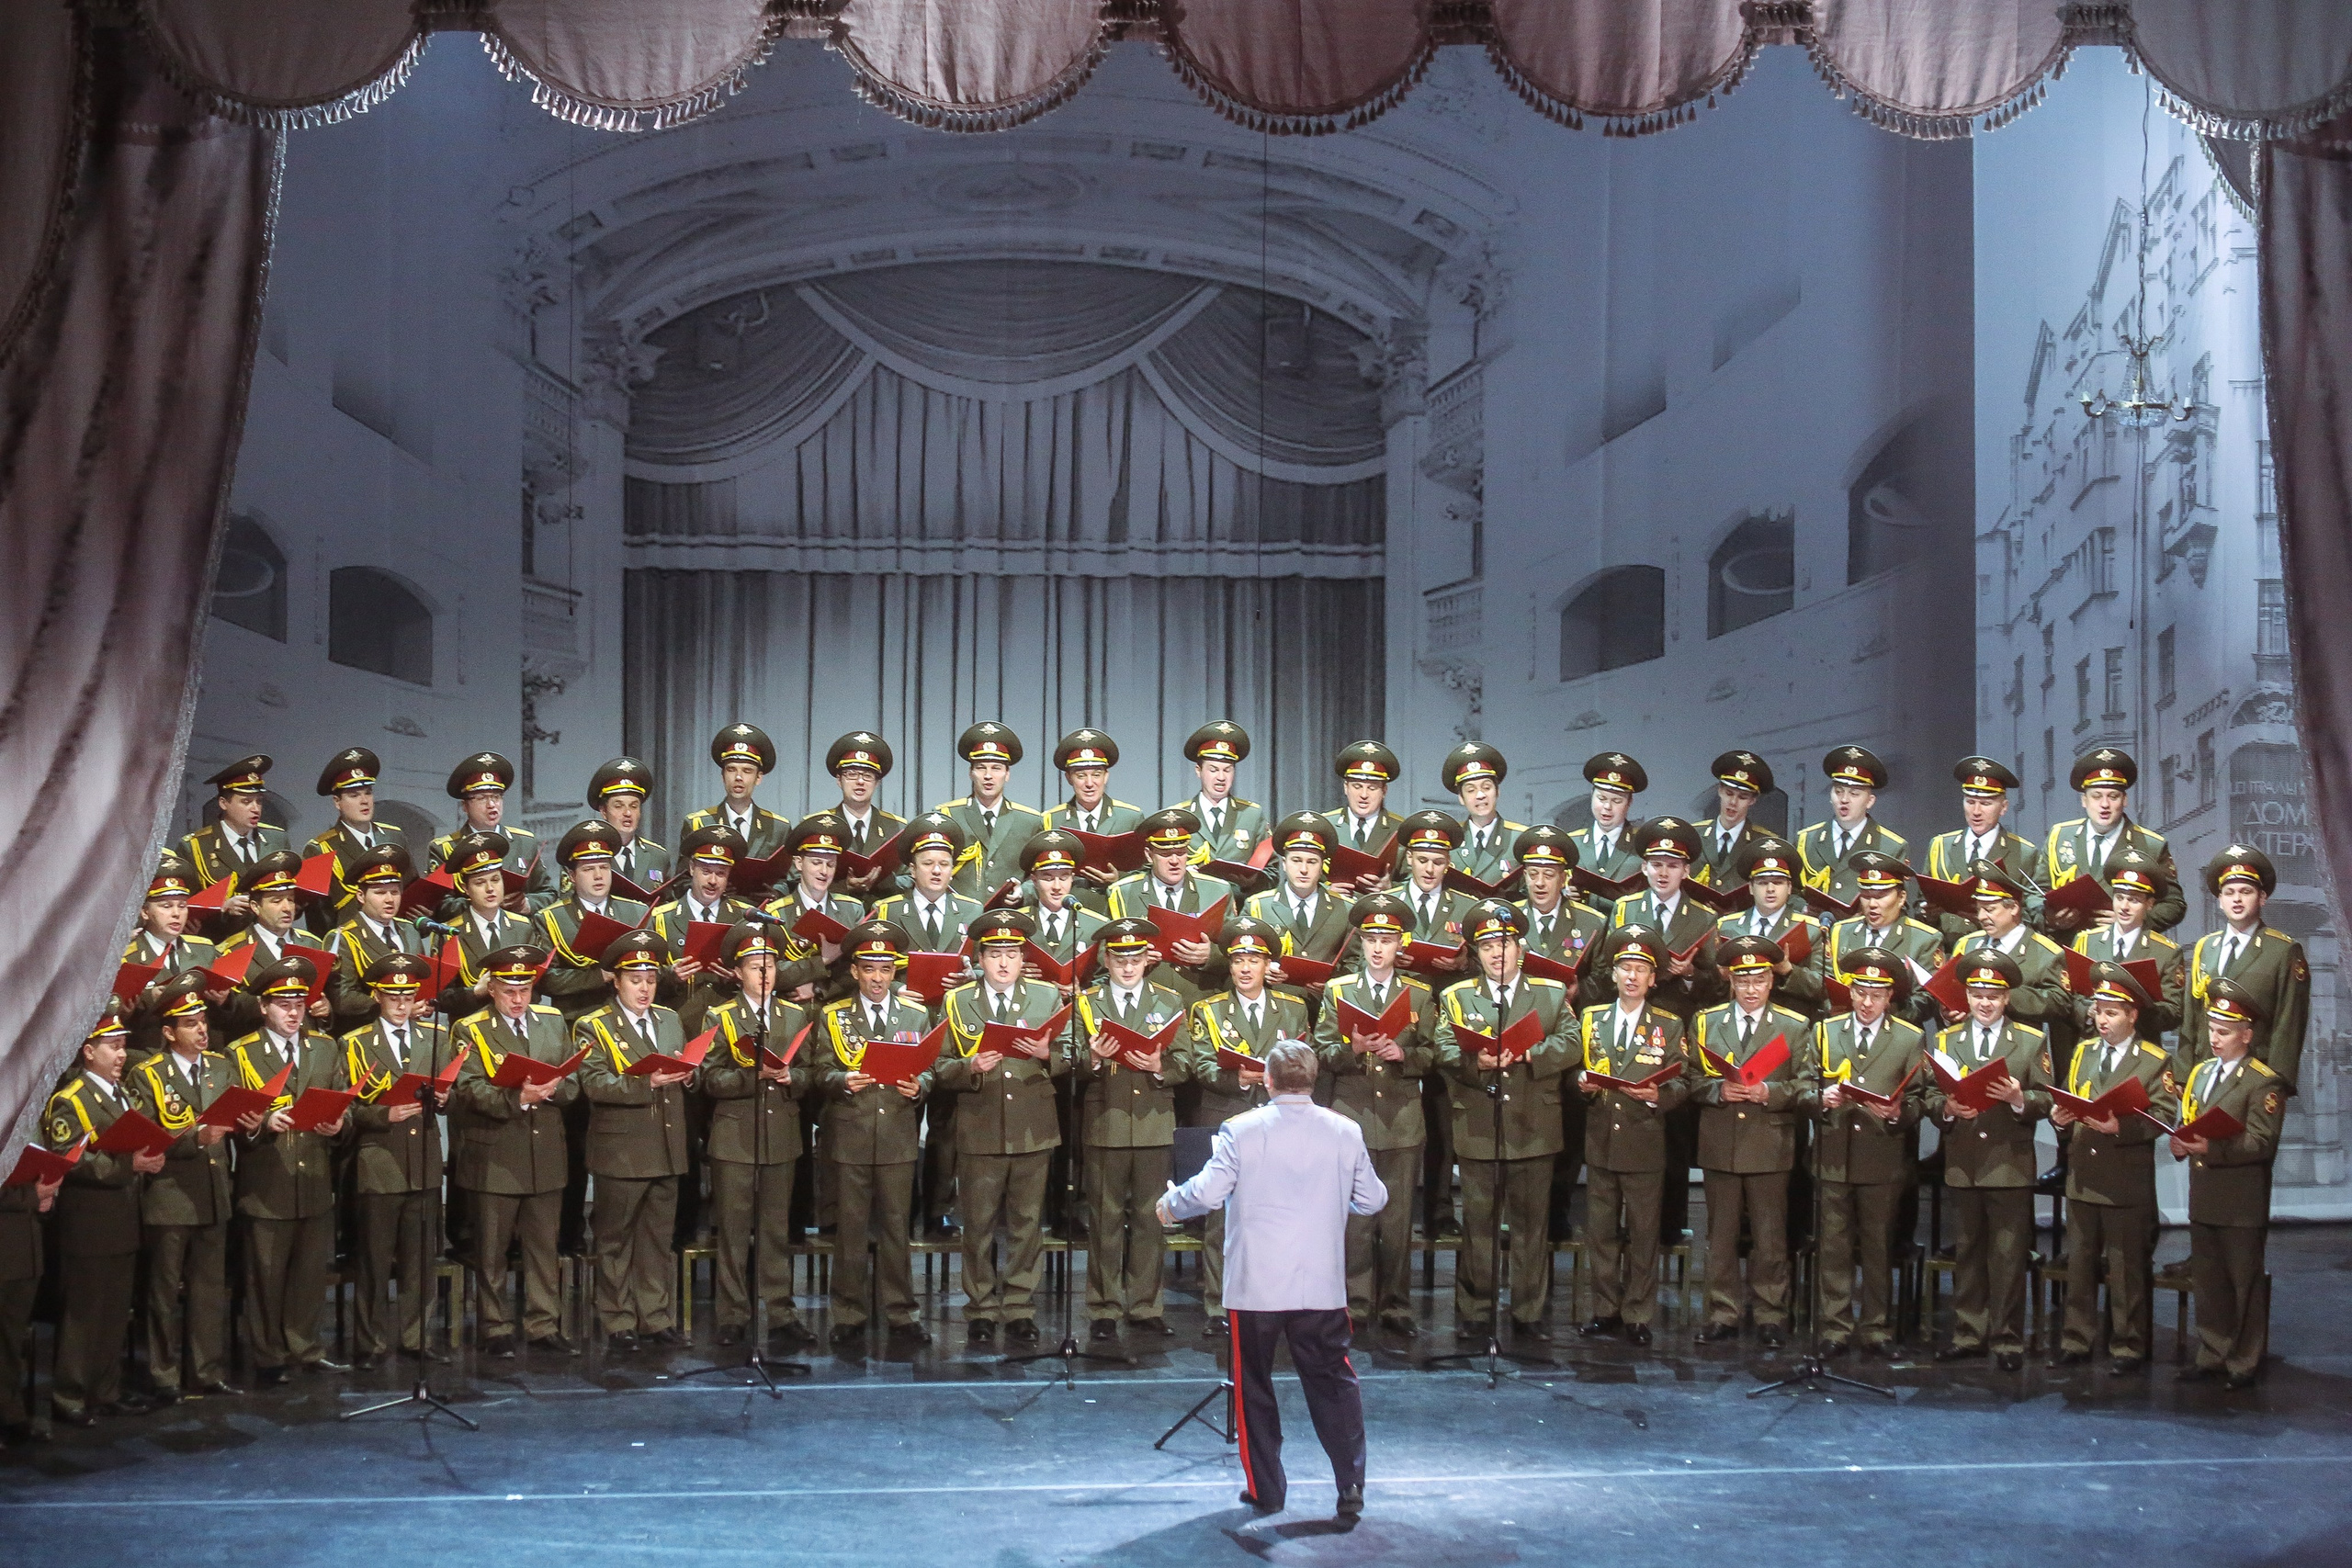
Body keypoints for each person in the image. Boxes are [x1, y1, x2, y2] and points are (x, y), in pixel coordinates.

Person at [1159, 1040, 1385, 1519]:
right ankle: (1350, 1484)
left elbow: (1209, 1192)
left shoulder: (1242, 1129)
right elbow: (1373, 1199)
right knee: (1334, 1383)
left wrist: (1171, 1204)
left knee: (1254, 1387)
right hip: (1320, 1284)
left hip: (1256, 1285)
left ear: (1268, 1080)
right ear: (1313, 1079)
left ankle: (1267, 1490)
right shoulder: (1345, 1130)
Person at [1435, 900, 1576, 1343]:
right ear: (1476, 953)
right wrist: (1475, 1061)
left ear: (1521, 948)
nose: (1497, 952)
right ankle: (1476, 1309)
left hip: (1534, 1124)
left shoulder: (1551, 994)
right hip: (1479, 1124)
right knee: (1478, 1224)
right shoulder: (1456, 997)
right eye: (1487, 946)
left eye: (1505, 943)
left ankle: (1527, 1311)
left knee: (1531, 1226)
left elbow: (1573, 1043)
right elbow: (1442, 1047)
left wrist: (1533, 1052)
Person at [936, 908, 1067, 1347]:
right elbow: (937, 1065)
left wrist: (1049, 1055)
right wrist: (968, 1067)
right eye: (995, 954)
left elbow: (1074, 1053)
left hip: (1033, 1124)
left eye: (1012, 953)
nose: (1005, 962)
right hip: (980, 1125)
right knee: (978, 1224)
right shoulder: (957, 1001)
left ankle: (1019, 1307)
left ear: (1023, 957)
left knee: (1027, 1224)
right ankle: (980, 1308)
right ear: (980, 959)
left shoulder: (1046, 997)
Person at [1311, 894, 1434, 1335]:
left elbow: (1435, 1054)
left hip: (1401, 1119)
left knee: (1397, 1220)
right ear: (1360, 943)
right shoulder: (1339, 990)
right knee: (1356, 1220)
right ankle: (1356, 1303)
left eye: (1387, 939)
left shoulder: (1420, 993)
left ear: (1401, 944)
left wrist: (1405, 1054)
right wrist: (1353, 1049)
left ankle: (1396, 1305)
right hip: (1353, 1117)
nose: (1378, 947)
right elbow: (1322, 1051)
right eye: (1371, 939)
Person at [1182, 916, 1309, 1332]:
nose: (1245, 968)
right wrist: (1238, 1078)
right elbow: (1201, 1065)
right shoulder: (1208, 1009)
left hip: (1280, 1123)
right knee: (1222, 1218)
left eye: (1254, 960)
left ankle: (1275, 1301)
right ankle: (1219, 1305)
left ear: (1267, 965)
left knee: (1279, 1214)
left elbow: (1307, 1064)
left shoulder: (1292, 1008)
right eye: (1238, 960)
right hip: (1227, 1119)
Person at [448, 943, 577, 1358]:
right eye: (509, 990)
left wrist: (554, 1090)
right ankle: (494, 1325)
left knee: (544, 1246)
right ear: (492, 989)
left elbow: (573, 1080)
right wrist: (517, 1098)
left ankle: (544, 1323)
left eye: (525, 989)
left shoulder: (552, 1022)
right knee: (492, 1249)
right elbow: (468, 1088)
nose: (518, 999)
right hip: (496, 1151)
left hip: (545, 1149)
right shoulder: (470, 1029)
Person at [226, 956, 350, 1385]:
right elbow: (232, 1120)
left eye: (299, 1004)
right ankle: (269, 1356)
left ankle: (306, 1347)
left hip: (312, 1177)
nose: (294, 1012)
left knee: (308, 1275)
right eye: (284, 1005)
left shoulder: (325, 1047)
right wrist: (261, 1123)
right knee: (266, 1277)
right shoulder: (240, 1053)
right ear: (264, 1007)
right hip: (267, 1181)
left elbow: (342, 1102)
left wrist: (339, 1124)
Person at [1925, 949, 2050, 1371]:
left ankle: (2007, 1339)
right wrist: (1946, 1108)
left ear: (2006, 998)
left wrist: (2019, 1098)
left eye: (1993, 996)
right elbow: (1929, 1095)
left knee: (2008, 1256)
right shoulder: (1946, 1040)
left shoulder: (2030, 1041)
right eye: (1977, 994)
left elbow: (2048, 1098)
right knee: (1968, 1253)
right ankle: (1968, 1333)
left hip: (2008, 1162)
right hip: (1964, 1162)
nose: (1984, 1002)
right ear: (1966, 996)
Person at [2048, 964, 2175, 1377]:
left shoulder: (2154, 1061)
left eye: (2112, 1012)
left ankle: (2128, 1344)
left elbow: (2164, 1116)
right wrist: (2060, 1119)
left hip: (2125, 1180)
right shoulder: (2083, 1051)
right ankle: (2076, 1339)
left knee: (2125, 1269)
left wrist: (2120, 1126)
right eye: (2098, 1011)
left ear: (2132, 1015)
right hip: (2084, 1174)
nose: (2102, 1019)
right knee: (2080, 1265)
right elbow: (2071, 1097)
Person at [42, 1003, 165, 1425]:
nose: (121, 1054)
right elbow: (69, 1158)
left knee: (114, 1313)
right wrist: (130, 1165)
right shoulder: (70, 1099)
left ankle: (104, 1390)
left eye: (124, 1045)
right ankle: (70, 1396)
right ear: (89, 1051)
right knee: (83, 1315)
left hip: (123, 1219)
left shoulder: (123, 1095)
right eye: (113, 1046)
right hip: (88, 1223)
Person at [818, 920, 937, 1348]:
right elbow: (818, 1070)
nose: (877, 978)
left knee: (896, 1229)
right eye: (869, 969)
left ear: (894, 972)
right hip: (851, 1132)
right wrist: (840, 1080)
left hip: (896, 1135)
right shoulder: (833, 1016)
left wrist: (919, 1087)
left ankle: (901, 1313)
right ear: (854, 971)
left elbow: (930, 1069)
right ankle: (848, 1313)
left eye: (885, 969)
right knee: (850, 1230)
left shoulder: (915, 1015)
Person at [1802, 947, 1925, 1355]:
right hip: (1833, 1154)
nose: (1867, 1002)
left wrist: (1898, 1112)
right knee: (1833, 1246)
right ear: (1850, 992)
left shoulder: (1909, 1037)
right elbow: (1803, 1085)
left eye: (1876, 994)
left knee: (1877, 1246)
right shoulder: (1824, 1031)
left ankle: (1876, 1328)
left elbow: (1920, 1099)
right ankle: (1834, 1328)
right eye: (1860, 992)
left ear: (1890, 997)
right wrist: (1820, 1098)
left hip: (1880, 1157)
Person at [577, 930, 695, 1350]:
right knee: (616, 1238)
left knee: (657, 1238)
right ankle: (618, 1318)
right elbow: (595, 1083)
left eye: (650, 979)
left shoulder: (669, 1019)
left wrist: (689, 1075)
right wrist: (648, 1083)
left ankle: (655, 1317)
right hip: (622, 1149)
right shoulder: (594, 1024)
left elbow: (684, 1068)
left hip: (666, 1144)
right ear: (616, 981)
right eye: (635, 980)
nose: (644, 988)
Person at [1074, 916, 1192, 1340]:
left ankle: (1145, 1305)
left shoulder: (1169, 1000)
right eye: (1120, 959)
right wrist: (1092, 1058)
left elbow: (1186, 1061)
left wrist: (1161, 1066)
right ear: (1106, 960)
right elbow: (1067, 1059)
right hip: (1105, 1119)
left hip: (1153, 1122)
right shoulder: (1087, 1002)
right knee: (1104, 1219)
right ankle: (1104, 1307)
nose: (1128, 967)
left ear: (1147, 960)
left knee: (1149, 1219)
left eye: (1135, 958)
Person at [1576, 927, 1693, 1346]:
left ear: (1653, 978)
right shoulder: (1591, 1018)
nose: (1632, 976)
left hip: (1644, 1140)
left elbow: (1684, 1080)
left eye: (1640, 969)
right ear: (1613, 974)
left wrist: (1661, 1095)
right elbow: (1576, 1071)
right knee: (1601, 1232)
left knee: (1643, 1233)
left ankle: (1638, 1313)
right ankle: (1604, 1309)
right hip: (1602, 1139)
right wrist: (1582, 1085)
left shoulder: (1669, 1024)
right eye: (1625, 967)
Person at [700, 919, 814, 1352]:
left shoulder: (795, 1014)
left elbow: (809, 1071)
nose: (764, 973)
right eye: (754, 966)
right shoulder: (721, 1016)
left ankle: (781, 1312)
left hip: (780, 1133)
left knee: (775, 1230)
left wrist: (790, 1077)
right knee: (733, 1231)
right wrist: (753, 1076)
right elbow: (709, 1078)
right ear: (738, 972)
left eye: (770, 965)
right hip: (735, 1135)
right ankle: (733, 1315)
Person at [1690, 934, 1808, 1346]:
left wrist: (1769, 1093)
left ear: (1771, 981)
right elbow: (1689, 1078)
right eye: (1743, 981)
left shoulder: (1794, 1026)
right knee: (1720, 1236)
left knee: (1770, 1236)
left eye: (1759, 980)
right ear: (1731, 981)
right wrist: (1717, 1090)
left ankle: (1771, 1314)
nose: (1751, 989)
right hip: (1721, 1139)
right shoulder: (1706, 1022)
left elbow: (1806, 1085)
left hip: (1769, 1142)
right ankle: (1723, 1312)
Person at [338, 953, 456, 1368]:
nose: (402, 1005)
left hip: (422, 1160)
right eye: (394, 997)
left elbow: (450, 1094)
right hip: (380, 1161)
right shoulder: (354, 1043)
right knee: (373, 1261)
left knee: (420, 1260)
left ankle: (417, 1337)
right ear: (377, 996)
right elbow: (345, 1108)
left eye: (408, 997)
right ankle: (369, 1343)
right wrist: (380, 1115)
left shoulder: (434, 1037)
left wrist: (445, 1099)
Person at [872, 814, 983, 1239]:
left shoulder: (971, 911)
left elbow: (986, 968)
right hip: (902, 1026)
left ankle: (938, 1212)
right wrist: (896, 986)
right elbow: (863, 967)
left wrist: (970, 976)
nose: (936, 871)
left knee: (946, 1128)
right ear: (911, 868)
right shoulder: (888, 910)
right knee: (900, 1119)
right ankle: (897, 1212)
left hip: (953, 1030)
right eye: (928, 863)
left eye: (944, 863)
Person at [2170, 976, 2285, 1390]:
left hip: (2240, 1200)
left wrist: (2210, 1148)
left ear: (2246, 1035)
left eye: (2223, 1032)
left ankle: (2243, 1361)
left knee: (2243, 1284)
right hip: (2205, 1195)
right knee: (2210, 1282)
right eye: (2211, 1030)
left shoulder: (2263, 1081)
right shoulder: (2201, 1073)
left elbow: (2261, 1142)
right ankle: (2213, 1353)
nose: (2214, 1039)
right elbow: (2190, 1121)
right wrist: (2181, 1144)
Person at [130, 975, 238, 1401]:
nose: (202, 1030)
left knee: (209, 1289)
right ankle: (164, 1374)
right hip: (171, 1196)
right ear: (169, 1032)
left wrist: (250, 1124)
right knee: (163, 1292)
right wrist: (197, 1138)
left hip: (213, 1191)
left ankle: (205, 1371)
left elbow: (233, 1120)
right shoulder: (148, 1074)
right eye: (191, 1023)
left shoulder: (220, 1067)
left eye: (203, 1021)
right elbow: (146, 1135)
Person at [2173, 845, 2310, 1094]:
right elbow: (2191, 1016)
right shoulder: (2206, 948)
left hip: (2254, 1078)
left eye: (2246, 892)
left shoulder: (2283, 951)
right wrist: (2183, 1075)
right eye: (2229, 892)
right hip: (2206, 1074)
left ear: (2262, 898)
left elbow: (2289, 1024)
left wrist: (2275, 1083)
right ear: (2220, 901)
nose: (2237, 899)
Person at [2041, 749, 2188, 935]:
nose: (2104, 804)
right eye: (2096, 796)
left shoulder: (2150, 845)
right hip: (2066, 946)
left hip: (2121, 949)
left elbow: (2174, 904)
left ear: (2124, 800)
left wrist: (2135, 920)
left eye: (2113, 796)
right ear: (2084, 800)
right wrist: (2048, 917)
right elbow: (2035, 892)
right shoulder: (2060, 836)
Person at [1106, 807, 1235, 1007]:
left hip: (1201, 1002)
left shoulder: (1217, 890)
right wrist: (1133, 957)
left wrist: (1211, 956)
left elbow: (1239, 951)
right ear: (1149, 855)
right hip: (1146, 1003)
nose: (1175, 861)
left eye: (1181, 853)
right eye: (1166, 854)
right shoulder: (1122, 893)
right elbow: (1102, 953)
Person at [536, 818, 652, 1022]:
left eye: (604, 867)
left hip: (632, 1020)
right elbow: (546, 980)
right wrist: (598, 976)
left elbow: (653, 970)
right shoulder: (552, 918)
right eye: (588, 869)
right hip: (578, 1019)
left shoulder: (636, 912)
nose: (599, 876)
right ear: (572, 875)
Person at [1923, 757, 2042, 946]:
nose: (1976, 811)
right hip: (1946, 950)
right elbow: (1920, 904)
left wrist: (1996, 916)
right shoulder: (1940, 845)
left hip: (1997, 951)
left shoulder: (2023, 852)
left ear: (2003, 807)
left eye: (1986, 804)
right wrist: (1928, 913)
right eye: (1970, 802)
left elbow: (2034, 916)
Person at [1244, 812, 1354, 999]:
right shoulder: (1258, 906)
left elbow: (1355, 961)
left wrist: (1333, 985)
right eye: (1296, 861)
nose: (1304, 869)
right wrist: (1262, 970)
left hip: (1324, 1007)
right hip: (1277, 1006)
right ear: (1284, 863)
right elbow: (1243, 958)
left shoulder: (1345, 908)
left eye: (1312, 862)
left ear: (1322, 866)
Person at [761, 812, 865, 1007]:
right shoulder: (777, 913)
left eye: (830, 864)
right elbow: (769, 971)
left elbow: (860, 968)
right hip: (792, 1011)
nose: (824, 871)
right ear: (799, 863)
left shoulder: (851, 909)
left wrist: (819, 988)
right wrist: (822, 961)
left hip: (839, 1009)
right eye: (816, 863)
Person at [432, 831, 538, 1021]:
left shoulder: (523, 927)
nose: (490, 889)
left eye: (495, 880)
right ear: (466, 889)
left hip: (519, 1024)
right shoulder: (450, 933)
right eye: (480, 883)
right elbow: (440, 997)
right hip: (471, 1027)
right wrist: (475, 992)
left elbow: (536, 986)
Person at [937, 722, 1047, 899]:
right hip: (961, 913)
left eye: (996, 768)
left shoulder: (1029, 822)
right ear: (971, 773)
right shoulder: (948, 816)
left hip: (1010, 913)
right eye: (981, 768)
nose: (988, 776)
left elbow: (1043, 873)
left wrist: (1023, 891)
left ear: (1007, 774)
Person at [322, 844, 424, 1032]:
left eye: (394, 892)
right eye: (380, 893)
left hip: (411, 1032)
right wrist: (394, 1006)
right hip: (365, 1033)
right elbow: (342, 999)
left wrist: (425, 1003)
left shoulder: (410, 930)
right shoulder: (344, 937)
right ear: (361, 896)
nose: (389, 900)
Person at [431, 752, 550, 913]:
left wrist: (526, 905)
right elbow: (439, 905)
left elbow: (548, 893)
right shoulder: (445, 848)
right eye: (482, 798)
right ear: (465, 806)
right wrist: (485, 904)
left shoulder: (525, 842)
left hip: (519, 927)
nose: (492, 805)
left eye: (496, 797)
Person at [1042, 728, 1145, 912]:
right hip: (1070, 914)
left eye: (1096, 774)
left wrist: (1118, 878)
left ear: (1106, 776)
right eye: (1081, 776)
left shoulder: (1131, 817)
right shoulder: (1052, 820)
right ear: (1068, 778)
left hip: (1115, 913)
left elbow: (1148, 872)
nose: (1089, 783)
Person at [305, 746, 407, 930]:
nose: (364, 801)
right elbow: (319, 919)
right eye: (354, 795)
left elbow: (409, 890)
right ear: (337, 802)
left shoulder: (394, 836)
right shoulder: (320, 848)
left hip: (395, 936)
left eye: (368, 792)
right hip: (350, 940)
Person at [1795, 746, 1908, 910]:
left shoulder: (1891, 847)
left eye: (1854, 794)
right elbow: (1791, 893)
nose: (1844, 800)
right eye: (1838, 792)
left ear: (1870, 801)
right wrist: (1805, 909)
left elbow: (1900, 905)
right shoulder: (1807, 840)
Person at [178, 753, 290, 911]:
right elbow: (183, 905)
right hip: (222, 927)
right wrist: (221, 908)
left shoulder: (276, 839)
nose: (255, 809)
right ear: (223, 803)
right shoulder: (195, 846)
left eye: (259, 801)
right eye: (246, 801)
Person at [1, 1158, 62, 1445]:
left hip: (24, 1253)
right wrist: (31, 1195)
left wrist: (46, 1199)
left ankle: (11, 1413)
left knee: (11, 1342)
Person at [678, 723, 788, 861]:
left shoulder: (777, 828)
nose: (738, 777)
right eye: (731, 770)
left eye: (747, 771)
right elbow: (684, 873)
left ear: (758, 778)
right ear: (723, 776)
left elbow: (787, 873)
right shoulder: (699, 824)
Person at [1172, 720, 1269, 867]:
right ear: (1198, 771)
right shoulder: (1179, 816)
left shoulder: (1251, 815)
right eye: (1213, 770)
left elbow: (1271, 871)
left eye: (1227, 770)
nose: (1221, 777)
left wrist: (1247, 878)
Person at [820, 732, 905, 897]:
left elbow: (910, 877)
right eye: (852, 774)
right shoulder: (819, 825)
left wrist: (886, 881)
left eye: (867, 776)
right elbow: (797, 880)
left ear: (877, 783)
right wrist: (843, 887)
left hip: (882, 910)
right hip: (835, 910)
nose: (860, 781)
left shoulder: (897, 827)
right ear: (839, 780)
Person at [1566, 752, 1646, 910]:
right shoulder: (1571, 843)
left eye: (1617, 801)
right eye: (1601, 798)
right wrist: (1563, 893)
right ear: (1591, 796)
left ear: (1629, 802)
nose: (1607, 807)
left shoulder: (1642, 846)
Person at [1322, 740, 1403, 891]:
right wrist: (1326, 891)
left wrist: (1390, 888)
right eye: (1357, 786)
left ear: (1384, 791)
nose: (1364, 795)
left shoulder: (1400, 830)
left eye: (1372, 788)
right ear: (1346, 788)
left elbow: (1415, 884)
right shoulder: (1325, 825)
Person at [1442, 741, 1523, 886]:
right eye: (1471, 790)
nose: (1480, 795)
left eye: (1486, 787)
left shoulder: (1518, 839)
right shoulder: (1450, 838)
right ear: (1461, 798)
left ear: (1497, 792)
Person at [586, 755, 670, 894]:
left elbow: (668, 902)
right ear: (604, 812)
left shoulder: (658, 856)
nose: (627, 813)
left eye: (634, 806)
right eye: (618, 806)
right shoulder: (587, 855)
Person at [1692, 750, 1774, 892]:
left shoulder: (1764, 844)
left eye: (1742, 797)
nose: (1733, 802)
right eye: (1729, 793)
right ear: (1720, 791)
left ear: (1752, 800)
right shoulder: (1693, 835)